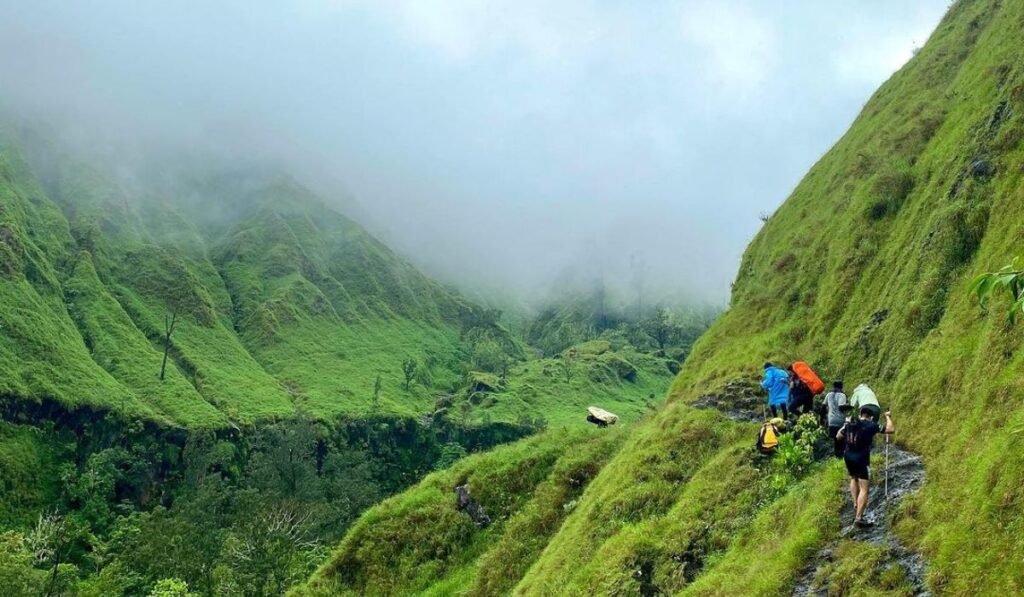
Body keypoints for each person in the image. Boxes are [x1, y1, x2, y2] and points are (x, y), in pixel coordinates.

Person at [837, 407, 894, 527]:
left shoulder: (850, 423)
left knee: (853, 478)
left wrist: (845, 424)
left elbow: (838, 436)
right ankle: (859, 518)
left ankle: (855, 504)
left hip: (848, 456)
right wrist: (887, 416)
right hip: (861, 458)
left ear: (860, 415)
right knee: (864, 488)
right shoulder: (871, 425)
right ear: (871, 417)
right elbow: (890, 429)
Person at [823, 380, 848, 458]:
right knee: (842, 439)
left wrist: (821, 419)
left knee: (835, 439)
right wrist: (850, 407)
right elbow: (841, 407)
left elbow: (823, 407)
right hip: (840, 420)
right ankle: (842, 456)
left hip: (831, 420)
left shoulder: (828, 394)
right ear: (841, 386)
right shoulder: (842, 395)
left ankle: (837, 456)